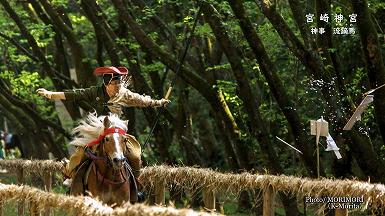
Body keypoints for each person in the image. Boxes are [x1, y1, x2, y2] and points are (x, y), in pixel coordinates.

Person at [37, 66, 170, 186]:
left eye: (119, 82)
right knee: (80, 154)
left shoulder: (125, 93)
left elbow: (142, 100)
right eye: (114, 83)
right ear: (106, 83)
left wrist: (158, 102)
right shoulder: (95, 92)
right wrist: (50, 94)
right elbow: (75, 94)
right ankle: (70, 175)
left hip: (117, 130)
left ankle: (136, 182)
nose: (118, 86)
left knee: (135, 155)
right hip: (98, 129)